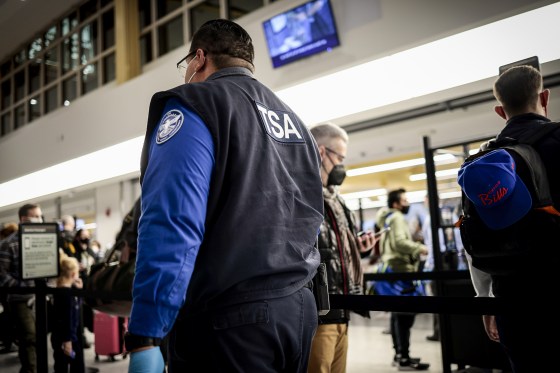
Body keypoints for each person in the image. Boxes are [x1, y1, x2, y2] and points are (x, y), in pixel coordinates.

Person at [125, 19, 324, 373]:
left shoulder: (196, 104)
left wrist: (145, 333)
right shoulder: (296, 123)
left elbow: (172, 220)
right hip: (298, 311)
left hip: (230, 320)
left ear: (199, 58)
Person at [462, 65, 560, 372]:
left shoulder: (480, 162)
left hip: (510, 300)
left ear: (499, 110)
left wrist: (485, 300)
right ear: (544, 96)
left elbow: (473, 238)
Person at [307, 122, 376, 373]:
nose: (341, 166)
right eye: (340, 157)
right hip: (319, 312)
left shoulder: (338, 201)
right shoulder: (303, 196)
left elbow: (339, 246)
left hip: (343, 307)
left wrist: (362, 248)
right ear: (322, 152)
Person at [375, 189, 430, 370]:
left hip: (392, 269)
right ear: (396, 203)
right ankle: (403, 358)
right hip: (402, 269)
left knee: (397, 314)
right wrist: (419, 248)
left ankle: (400, 355)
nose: (407, 203)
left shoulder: (388, 218)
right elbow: (399, 242)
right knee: (405, 316)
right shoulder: (397, 217)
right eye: (405, 200)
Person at [0, 203, 43, 373]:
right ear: (24, 219)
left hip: (39, 296)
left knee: (38, 335)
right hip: (19, 299)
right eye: (37, 216)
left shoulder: (41, 240)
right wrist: (22, 287)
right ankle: (30, 369)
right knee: (29, 336)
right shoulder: (8, 244)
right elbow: (1, 274)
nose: (40, 220)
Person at [51, 255, 85, 373]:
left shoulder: (66, 291)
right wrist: (67, 341)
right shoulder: (64, 294)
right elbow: (65, 318)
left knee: (65, 365)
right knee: (70, 366)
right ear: (73, 274)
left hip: (68, 337)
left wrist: (79, 291)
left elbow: (75, 308)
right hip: (66, 339)